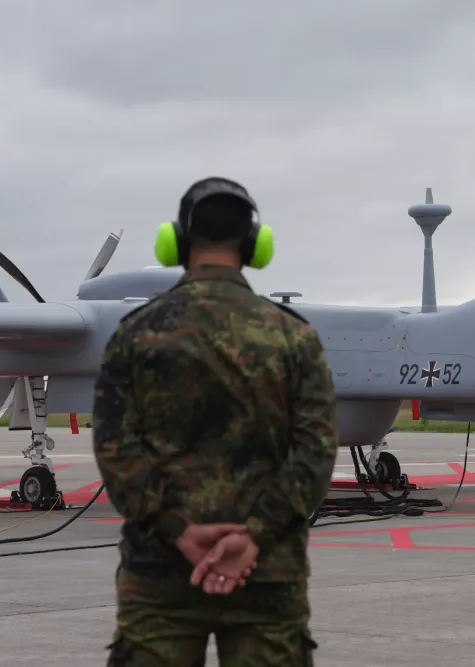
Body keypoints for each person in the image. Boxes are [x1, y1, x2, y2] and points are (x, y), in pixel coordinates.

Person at [92, 176, 339, 666]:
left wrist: (177, 528)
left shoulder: (137, 334)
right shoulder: (294, 338)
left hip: (160, 570)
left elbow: (116, 447)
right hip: (266, 573)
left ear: (177, 244)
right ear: (253, 247)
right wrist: (253, 537)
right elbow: (315, 452)